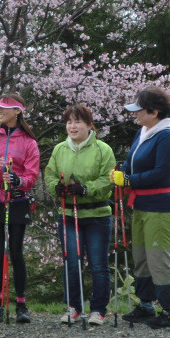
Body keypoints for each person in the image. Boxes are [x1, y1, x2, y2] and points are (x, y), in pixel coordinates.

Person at [110, 86, 170, 329]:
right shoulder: (144, 132)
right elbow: (134, 163)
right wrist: (123, 171)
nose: (135, 115)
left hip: (161, 206)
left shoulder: (167, 136)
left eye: (138, 111)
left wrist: (130, 180)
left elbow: (163, 173)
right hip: (140, 204)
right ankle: (146, 305)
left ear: (154, 112)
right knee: (140, 257)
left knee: (158, 259)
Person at [44, 104, 115, 326]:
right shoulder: (59, 150)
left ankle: (98, 309)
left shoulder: (103, 149)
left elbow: (108, 178)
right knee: (71, 262)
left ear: (89, 125)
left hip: (97, 215)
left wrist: (85, 188)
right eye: (69, 122)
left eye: (77, 122)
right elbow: (49, 173)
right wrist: (56, 187)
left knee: (98, 263)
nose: (72, 126)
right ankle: (73, 306)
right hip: (67, 214)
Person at [0, 93, 40, 324]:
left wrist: (18, 181)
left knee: (16, 250)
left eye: (4, 108)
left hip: (17, 199)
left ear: (17, 111)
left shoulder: (29, 142)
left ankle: (21, 303)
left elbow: (32, 174)